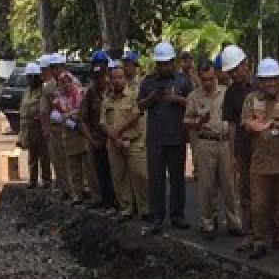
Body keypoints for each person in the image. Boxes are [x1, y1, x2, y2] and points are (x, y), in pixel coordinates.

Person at [242, 57, 279, 260]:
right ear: (260, 81)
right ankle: (260, 241)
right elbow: (246, 123)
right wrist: (255, 125)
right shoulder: (251, 99)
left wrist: (275, 124)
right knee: (259, 205)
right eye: (266, 80)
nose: (271, 83)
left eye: (274, 79)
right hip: (260, 162)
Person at [137, 41, 192, 233]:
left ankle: (177, 215)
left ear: (173, 62)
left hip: (176, 137)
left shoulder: (183, 81)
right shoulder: (148, 82)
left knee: (177, 179)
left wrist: (177, 99)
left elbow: (193, 104)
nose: (163, 67)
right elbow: (140, 106)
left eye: (166, 63)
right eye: (160, 64)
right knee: (156, 179)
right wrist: (152, 97)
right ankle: (157, 216)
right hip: (156, 139)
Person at [185, 60, 241, 238]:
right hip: (205, 142)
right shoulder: (194, 96)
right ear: (200, 79)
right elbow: (186, 121)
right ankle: (208, 222)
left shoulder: (226, 93)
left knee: (230, 184)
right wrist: (198, 122)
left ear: (215, 76)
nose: (208, 83)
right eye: (204, 80)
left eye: (211, 79)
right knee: (206, 186)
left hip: (224, 142)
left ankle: (234, 222)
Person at [102, 64, 150, 221]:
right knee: (119, 177)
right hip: (114, 144)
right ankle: (126, 210)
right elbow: (103, 123)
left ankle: (145, 209)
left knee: (140, 175)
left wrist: (119, 133)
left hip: (134, 141)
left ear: (125, 79)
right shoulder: (107, 99)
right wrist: (115, 138)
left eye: (120, 77)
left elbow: (136, 115)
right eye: (114, 78)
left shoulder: (134, 95)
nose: (117, 81)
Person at [219, 44, 254, 250]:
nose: (233, 75)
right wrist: (232, 155)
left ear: (244, 65)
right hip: (243, 148)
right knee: (246, 193)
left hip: (264, 149)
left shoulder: (261, 84)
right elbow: (231, 126)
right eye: (230, 72)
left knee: (268, 194)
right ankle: (250, 234)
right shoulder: (231, 93)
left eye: (235, 70)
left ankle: (273, 236)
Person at [80, 50, 117, 210]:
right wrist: (91, 140)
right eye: (97, 75)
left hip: (115, 139)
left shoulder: (116, 90)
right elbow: (82, 120)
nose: (100, 78)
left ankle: (121, 204)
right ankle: (105, 202)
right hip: (97, 141)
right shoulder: (90, 94)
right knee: (100, 174)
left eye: (102, 73)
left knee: (117, 174)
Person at [49, 57, 88, 204]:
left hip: (81, 133)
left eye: (68, 82)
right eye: (62, 83)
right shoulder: (59, 98)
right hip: (68, 134)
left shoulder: (79, 94)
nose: (65, 85)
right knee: (72, 167)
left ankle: (88, 191)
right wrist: (63, 116)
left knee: (86, 165)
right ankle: (77, 194)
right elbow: (56, 115)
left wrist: (69, 114)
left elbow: (82, 111)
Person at [17, 62, 52, 189]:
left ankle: (47, 180)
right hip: (28, 129)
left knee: (44, 155)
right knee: (32, 156)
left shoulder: (43, 91)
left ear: (34, 77)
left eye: (28, 77)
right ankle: (33, 180)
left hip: (40, 127)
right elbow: (23, 111)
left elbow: (43, 110)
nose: (27, 80)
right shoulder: (26, 91)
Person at [39, 53, 68, 196]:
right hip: (55, 129)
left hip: (71, 128)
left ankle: (74, 189)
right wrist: (46, 130)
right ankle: (64, 188)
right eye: (54, 68)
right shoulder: (48, 88)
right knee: (57, 159)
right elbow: (44, 111)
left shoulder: (71, 83)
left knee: (72, 160)